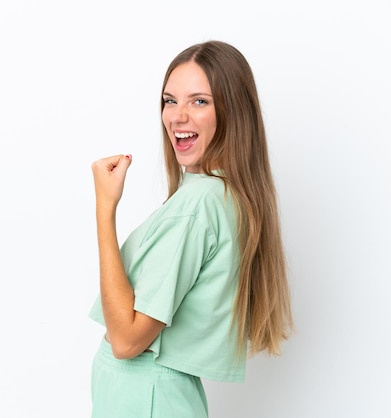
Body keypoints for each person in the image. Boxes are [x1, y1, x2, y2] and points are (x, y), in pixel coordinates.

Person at [88, 40, 294, 418]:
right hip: (152, 394)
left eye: (199, 101)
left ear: (232, 112)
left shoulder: (199, 205)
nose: (177, 116)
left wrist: (105, 210)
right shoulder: (220, 195)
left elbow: (127, 339)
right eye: (170, 100)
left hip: (145, 394)